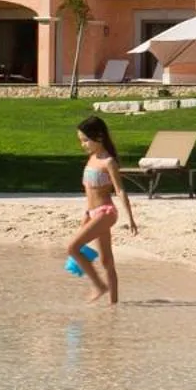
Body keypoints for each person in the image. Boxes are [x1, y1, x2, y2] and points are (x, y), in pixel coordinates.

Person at [66, 115, 137, 304]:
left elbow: (120, 190)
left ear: (98, 136)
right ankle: (114, 306)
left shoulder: (108, 162)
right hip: (92, 213)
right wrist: (86, 216)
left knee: (72, 247)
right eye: (81, 141)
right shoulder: (92, 159)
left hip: (106, 212)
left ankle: (99, 286)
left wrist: (130, 218)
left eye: (85, 140)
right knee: (107, 261)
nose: (83, 145)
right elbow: (89, 193)